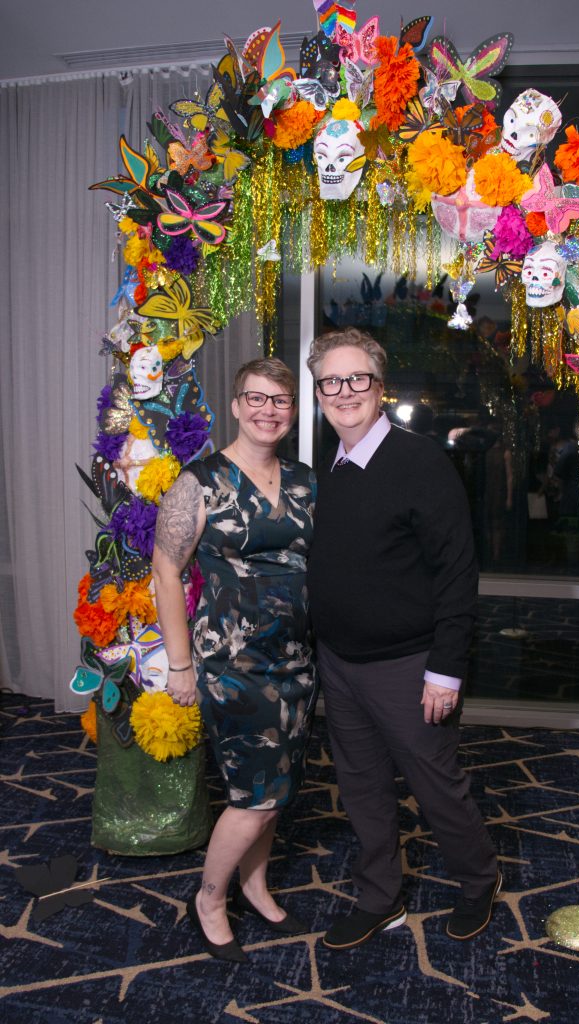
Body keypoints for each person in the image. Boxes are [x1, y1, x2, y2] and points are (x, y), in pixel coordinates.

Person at [306, 327, 500, 951]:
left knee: (436, 787)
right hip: (340, 663)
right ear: (318, 393)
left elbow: (457, 573)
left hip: (410, 667)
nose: (344, 392)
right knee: (361, 788)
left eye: (357, 378)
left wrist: (446, 669)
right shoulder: (327, 466)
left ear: (380, 386)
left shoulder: (421, 462)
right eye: (330, 382)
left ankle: (479, 882)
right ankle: (380, 896)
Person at [152, 357, 316, 962]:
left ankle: (255, 885)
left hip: (297, 662)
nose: (268, 410)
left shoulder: (305, 480)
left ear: (292, 410)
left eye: (280, 400)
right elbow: (165, 571)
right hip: (233, 663)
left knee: (277, 789)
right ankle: (210, 898)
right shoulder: (200, 482)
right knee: (255, 797)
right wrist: (179, 665)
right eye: (257, 398)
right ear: (236, 404)